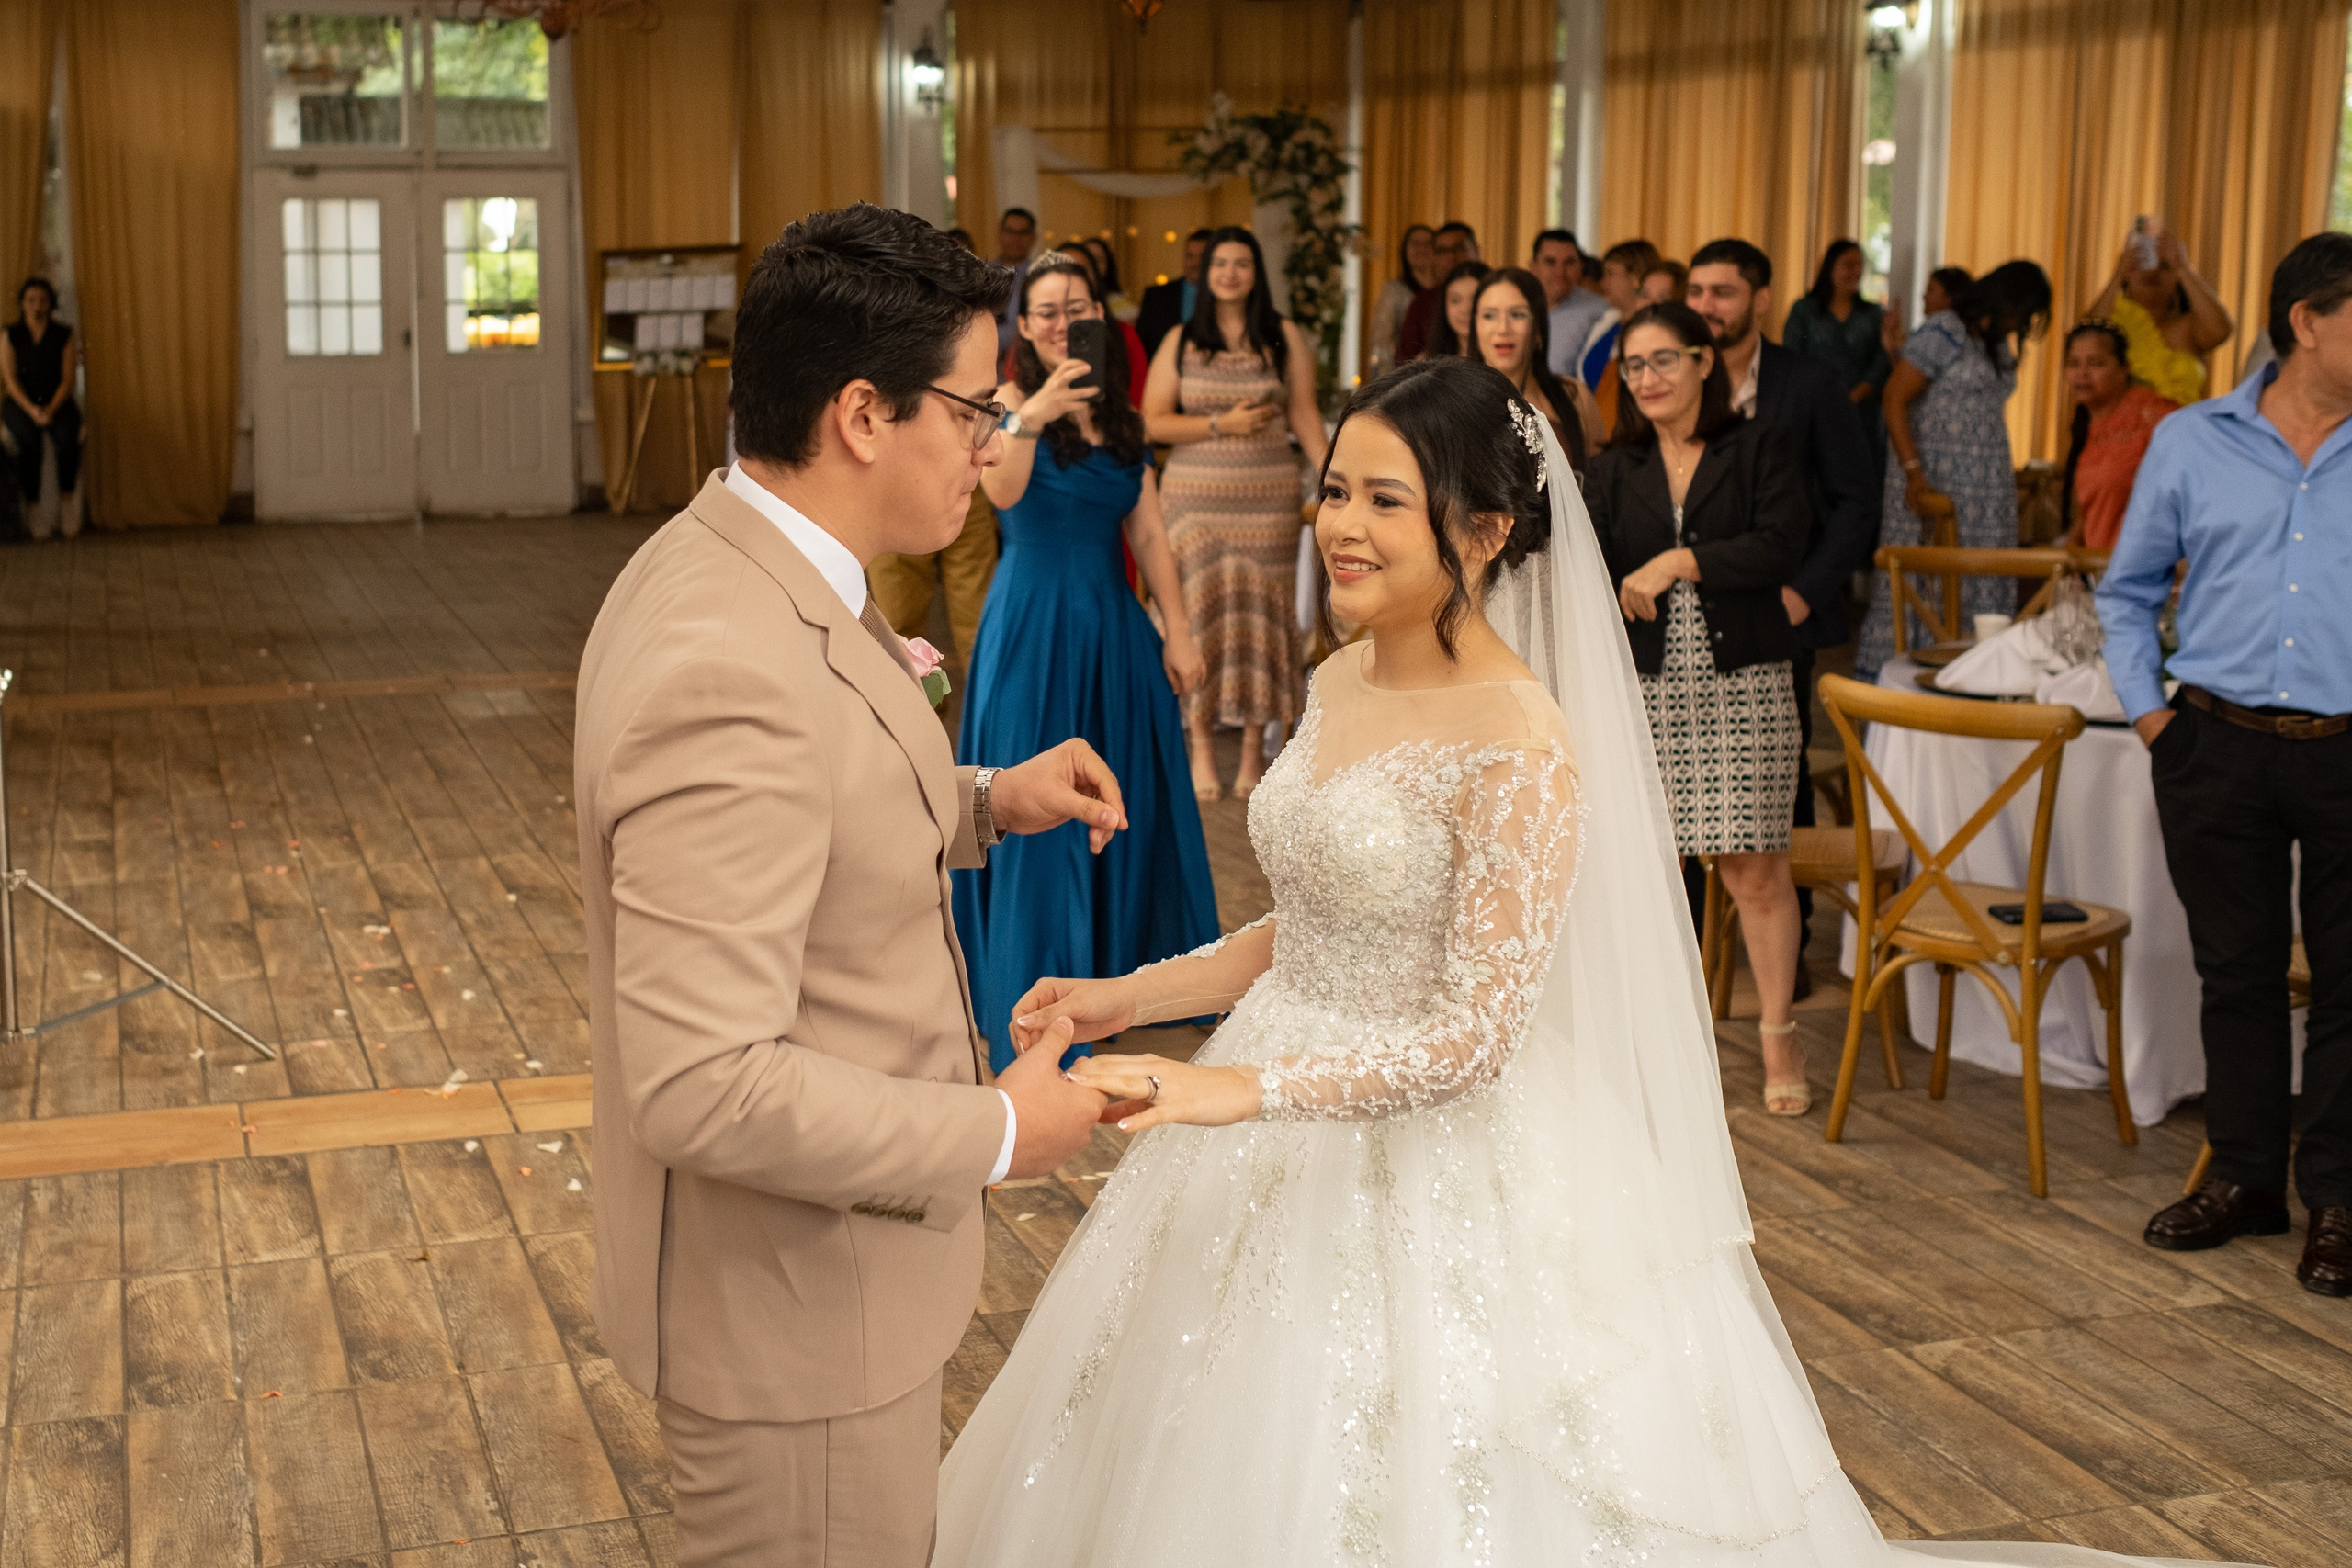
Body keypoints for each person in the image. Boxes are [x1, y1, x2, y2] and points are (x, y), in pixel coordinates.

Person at [934, 355, 2180, 1568]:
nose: (1343, 530)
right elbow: (1310, 929)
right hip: (1279, 1085)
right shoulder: (1336, 676)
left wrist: (1234, 1087)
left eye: (1384, 500)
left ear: (1481, 531)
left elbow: (1476, 1034)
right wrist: (1132, 994)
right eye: (1335, 491)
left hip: (1441, 1144)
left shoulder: (1521, 741)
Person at [575, 202, 1123, 1567]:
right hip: (792, 1321)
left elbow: (807, 812)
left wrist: (984, 798)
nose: (992, 442)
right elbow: (705, 1079)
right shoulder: (730, 657)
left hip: (827, 1286)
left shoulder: (744, 558)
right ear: (864, 413)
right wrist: (998, 1130)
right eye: (973, 408)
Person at [2101, 232, 2352, 1295]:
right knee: (2236, 971)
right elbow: (2125, 590)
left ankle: (2337, 1201)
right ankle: (2246, 1178)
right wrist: (2153, 720)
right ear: (2307, 321)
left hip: (2346, 752)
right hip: (2212, 745)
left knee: (2349, 982)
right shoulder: (2192, 440)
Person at [958, 252, 1218, 1071]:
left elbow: (1146, 531)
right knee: (1041, 803)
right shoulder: (1005, 403)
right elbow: (1000, 494)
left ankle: (1131, 983)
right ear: (1023, 325)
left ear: (1099, 314)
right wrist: (1035, 405)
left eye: (1077, 307)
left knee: (1128, 798)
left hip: (1112, 624)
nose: (1062, 322)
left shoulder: (1121, 411)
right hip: (1034, 627)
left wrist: (1176, 628)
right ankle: (1034, 990)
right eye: (1044, 311)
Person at [1587, 301, 1812, 1112]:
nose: (1646, 379)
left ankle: (1778, 1032)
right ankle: (1660, 1040)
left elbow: (1782, 544)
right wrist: (1618, 581)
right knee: (1651, 873)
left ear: (1704, 362)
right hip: (1642, 691)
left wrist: (1680, 559)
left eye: (1662, 361)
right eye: (1633, 366)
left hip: (1742, 683)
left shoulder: (1760, 447)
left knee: (1755, 870)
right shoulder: (1614, 468)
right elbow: (1596, 567)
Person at [1685, 238, 1882, 991]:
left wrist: (1805, 591)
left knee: (1776, 785)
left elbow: (1855, 502)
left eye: (1723, 292)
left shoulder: (1811, 384)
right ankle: (1700, 951)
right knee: (1689, 782)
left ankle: (1781, 955)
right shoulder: (1679, 377)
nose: (1707, 306)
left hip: (1777, 616)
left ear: (1761, 299)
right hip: (1682, 617)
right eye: (1698, 290)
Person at [1145, 225, 1327, 801]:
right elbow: (1150, 421)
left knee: (1261, 626)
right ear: (1205, 272)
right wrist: (1223, 424)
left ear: (1256, 272)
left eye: (1241, 263)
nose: (1229, 273)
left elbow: (1304, 416)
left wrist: (1337, 479)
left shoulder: (1283, 336)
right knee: (1196, 623)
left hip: (1268, 502)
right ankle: (1200, 745)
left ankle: (1253, 750)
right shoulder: (1180, 339)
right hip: (1193, 505)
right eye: (1220, 262)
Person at [1857, 260, 2052, 675]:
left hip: (1985, 493)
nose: (2022, 321)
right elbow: (1894, 397)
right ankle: (1915, 687)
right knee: (1930, 587)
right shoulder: (1947, 328)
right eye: (2022, 310)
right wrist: (1913, 472)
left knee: (1980, 582)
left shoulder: (1993, 341)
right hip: (1936, 481)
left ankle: (1975, 680)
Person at [2086, 218, 2233, 405]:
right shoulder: (2110, 323)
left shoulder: (2189, 326)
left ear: (2176, 280)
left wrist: (2183, 268)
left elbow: (2221, 332)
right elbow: (2087, 344)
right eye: (2142, 263)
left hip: (2183, 430)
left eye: (2164, 266)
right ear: (2126, 272)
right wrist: (2116, 277)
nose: (2152, 273)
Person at [2056, 318, 2176, 550]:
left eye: (2095, 363)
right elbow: (2094, 510)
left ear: (2125, 368)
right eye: (2073, 364)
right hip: (2098, 566)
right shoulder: (2087, 424)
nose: (2082, 373)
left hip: (2149, 569)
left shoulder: (2156, 417)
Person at [1468, 265, 1600, 469]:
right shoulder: (1453, 401)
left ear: (1538, 330)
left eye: (1518, 315)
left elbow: (1601, 484)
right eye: (1489, 316)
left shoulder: (1574, 395)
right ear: (1475, 327)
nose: (1503, 328)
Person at [1782, 238, 1894, 475]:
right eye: (1848, 265)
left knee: (1860, 476)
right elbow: (1793, 355)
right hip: (1815, 409)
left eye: (1860, 265)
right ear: (1830, 267)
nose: (1856, 271)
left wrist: (1857, 394)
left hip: (1862, 413)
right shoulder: (1805, 310)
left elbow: (1882, 360)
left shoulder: (1873, 314)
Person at [3, 277, 81, 539]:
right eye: (31, 300)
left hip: (55, 400)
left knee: (69, 437)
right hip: (21, 403)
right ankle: (34, 509)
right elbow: (10, 380)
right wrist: (33, 410)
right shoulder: (11, 335)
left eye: (43, 301)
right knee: (28, 442)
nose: (37, 306)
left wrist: (49, 408)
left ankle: (67, 503)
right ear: (23, 304)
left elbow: (68, 378)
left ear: (50, 304)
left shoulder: (63, 334)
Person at [1577, 237, 1664, 389]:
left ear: (1634, 277)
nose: (1603, 282)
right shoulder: (1609, 319)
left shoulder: (1657, 328)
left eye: (1610, 273)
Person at [1396, 220, 1478, 361]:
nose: (1451, 257)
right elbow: (1405, 361)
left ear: (1476, 250)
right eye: (1443, 251)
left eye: (1459, 248)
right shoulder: (1422, 302)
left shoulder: (1497, 293)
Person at [1532, 227, 1607, 380]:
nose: (1560, 272)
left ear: (1581, 267)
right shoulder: (1513, 307)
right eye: (1550, 262)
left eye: (1569, 262)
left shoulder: (1600, 310)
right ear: (1533, 266)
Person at [1366, 223, 1438, 380]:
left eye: (1428, 244)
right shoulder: (1394, 291)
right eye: (1415, 244)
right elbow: (1381, 343)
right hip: (1406, 373)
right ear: (1405, 251)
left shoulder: (1447, 291)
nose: (1422, 249)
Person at [1136, 227, 1211, 358]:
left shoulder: (1225, 297)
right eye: (1190, 256)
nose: (1196, 263)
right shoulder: (1155, 296)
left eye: (1203, 257)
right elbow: (1141, 349)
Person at [1418, 259, 1490, 360]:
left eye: (1474, 299)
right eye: (1455, 300)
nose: (1465, 309)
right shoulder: (1427, 363)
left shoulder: (1502, 361)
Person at [993, 206, 1039, 355]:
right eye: (1010, 231)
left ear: (1033, 238)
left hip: (1026, 359)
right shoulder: (981, 273)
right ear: (1000, 234)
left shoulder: (1039, 277)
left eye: (1023, 233)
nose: (1016, 238)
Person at [1077, 236, 1137, 322]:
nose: (1093, 266)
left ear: (1108, 266)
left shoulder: (1118, 304)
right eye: (1088, 260)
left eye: (1097, 260)